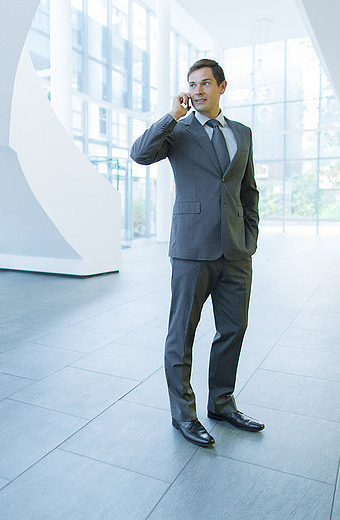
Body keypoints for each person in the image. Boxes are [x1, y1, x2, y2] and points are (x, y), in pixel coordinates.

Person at [130, 59, 264, 447]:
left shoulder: (243, 133)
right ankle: (183, 415)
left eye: (206, 83)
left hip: (236, 252)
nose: (198, 90)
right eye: (192, 84)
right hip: (192, 250)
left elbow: (248, 191)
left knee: (233, 329)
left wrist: (249, 238)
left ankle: (222, 402)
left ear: (223, 86)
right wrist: (171, 115)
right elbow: (140, 154)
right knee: (181, 333)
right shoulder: (179, 129)